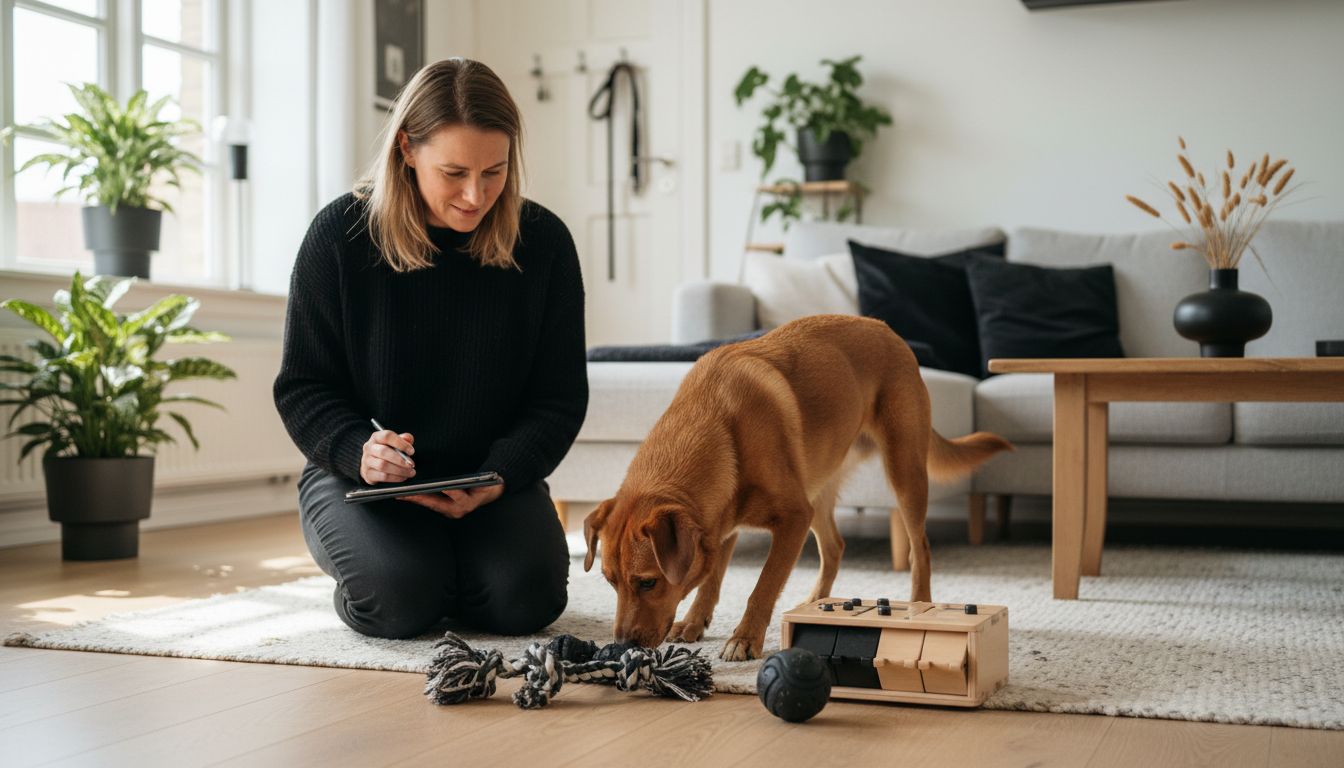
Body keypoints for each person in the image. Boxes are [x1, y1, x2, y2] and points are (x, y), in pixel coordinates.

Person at [273, 58, 588, 640]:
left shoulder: (543, 243)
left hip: (490, 479)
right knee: (396, 601)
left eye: (494, 171)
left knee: (526, 602)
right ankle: (424, 574)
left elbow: (559, 398)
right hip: (366, 478)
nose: (476, 195)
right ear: (405, 150)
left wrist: (501, 475)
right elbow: (303, 386)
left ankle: (448, 571)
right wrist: (358, 451)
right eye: (454, 172)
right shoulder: (339, 236)